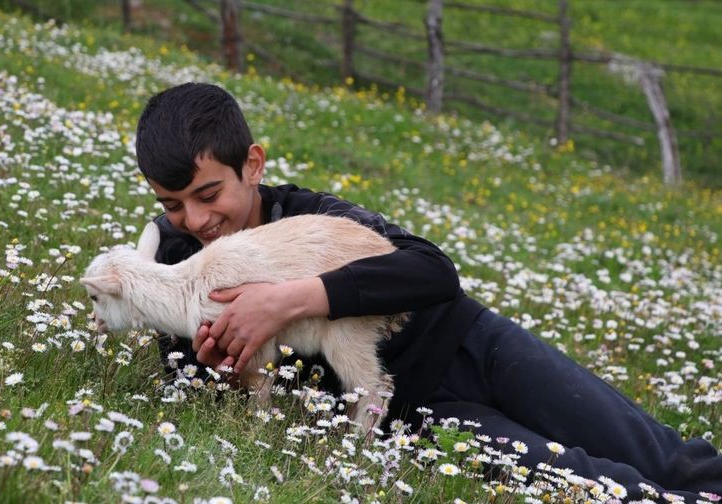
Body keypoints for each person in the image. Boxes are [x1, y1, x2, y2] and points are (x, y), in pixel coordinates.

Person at [131, 82, 722, 501]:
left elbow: (432, 270)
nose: (196, 219)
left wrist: (293, 298)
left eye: (209, 195)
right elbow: (195, 387)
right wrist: (228, 375)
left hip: (475, 344)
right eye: (171, 205)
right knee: (589, 481)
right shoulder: (177, 269)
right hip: (416, 417)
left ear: (252, 165)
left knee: (657, 454)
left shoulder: (309, 213)